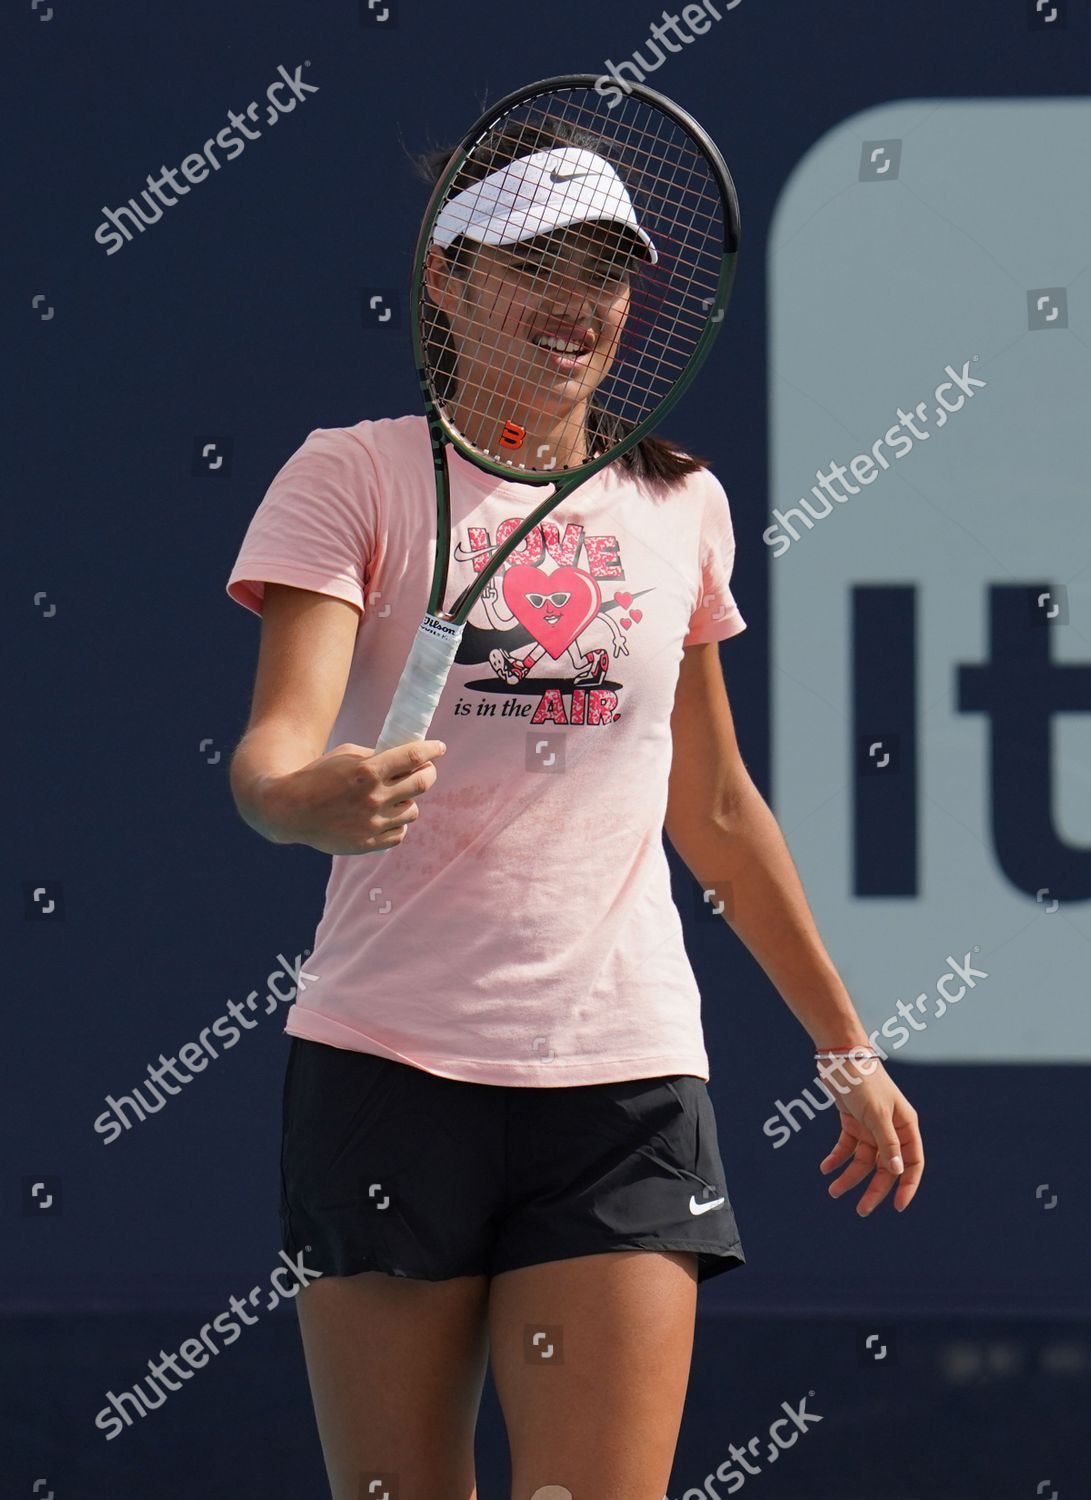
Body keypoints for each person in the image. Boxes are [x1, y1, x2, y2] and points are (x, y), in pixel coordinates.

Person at [225, 116, 924, 1500]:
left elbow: (714, 803)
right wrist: (317, 800)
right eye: (539, 262)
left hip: (624, 1087)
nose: (579, 303)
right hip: (384, 1076)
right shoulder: (349, 475)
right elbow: (272, 761)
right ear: (450, 279)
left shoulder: (684, 508)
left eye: (606, 271)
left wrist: (847, 1047)